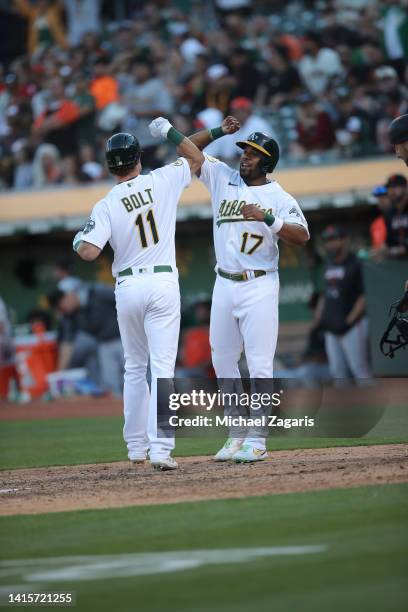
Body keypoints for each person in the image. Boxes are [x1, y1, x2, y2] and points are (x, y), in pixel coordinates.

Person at [73, 120, 204, 470]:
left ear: (109, 165)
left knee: (134, 367)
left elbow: (87, 251)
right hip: (162, 282)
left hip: (128, 286)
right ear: (137, 159)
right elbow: (194, 155)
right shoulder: (161, 179)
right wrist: (171, 131)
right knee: (162, 367)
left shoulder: (106, 203)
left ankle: (135, 448)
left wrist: (77, 238)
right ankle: (161, 450)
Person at [188, 117, 309, 462]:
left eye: (253, 153)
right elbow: (188, 148)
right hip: (224, 281)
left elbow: (302, 236)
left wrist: (268, 219)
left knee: (259, 364)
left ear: (267, 161)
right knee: (222, 360)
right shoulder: (223, 178)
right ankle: (235, 433)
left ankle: (258, 438)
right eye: (244, 150)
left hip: (259, 282)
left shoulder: (278, 195)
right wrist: (218, 133)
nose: (245, 156)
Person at [49, 284, 124, 396]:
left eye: (61, 307)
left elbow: (125, 301)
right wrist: (60, 374)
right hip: (103, 345)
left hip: (125, 340)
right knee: (111, 383)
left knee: (139, 375)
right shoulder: (70, 316)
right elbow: (67, 345)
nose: (63, 310)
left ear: (68, 296)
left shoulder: (97, 292)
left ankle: (150, 407)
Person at [318, 225, 372, 381]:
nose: (331, 244)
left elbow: (363, 297)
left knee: (360, 369)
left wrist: (348, 322)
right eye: (327, 240)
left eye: (334, 239)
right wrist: (322, 319)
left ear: (345, 240)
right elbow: (325, 294)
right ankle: (346, 406)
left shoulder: (355, 263)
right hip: (332, 328)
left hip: (353, 326)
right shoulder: (328, 263)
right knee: (337, 372)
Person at [384, 174, 408, 258]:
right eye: (389, 188)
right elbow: (389, 241)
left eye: (395, 187)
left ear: (405, 187)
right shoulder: (390, 213)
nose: (391, 191)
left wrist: (404, 248)